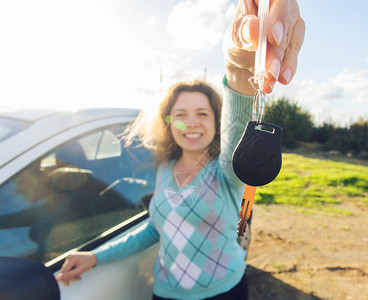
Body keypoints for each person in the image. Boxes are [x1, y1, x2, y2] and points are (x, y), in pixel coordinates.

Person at [55, 0, 305, 299]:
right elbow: (154, 229)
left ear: (216, 121)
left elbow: (238, 125)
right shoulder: (164, 169)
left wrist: (238, 67)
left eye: (202, 113)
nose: (191, 124)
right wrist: (97, 256)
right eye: (181, 115)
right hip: (165, 293)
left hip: (224, 292)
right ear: (169, 122)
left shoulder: (227, 170)